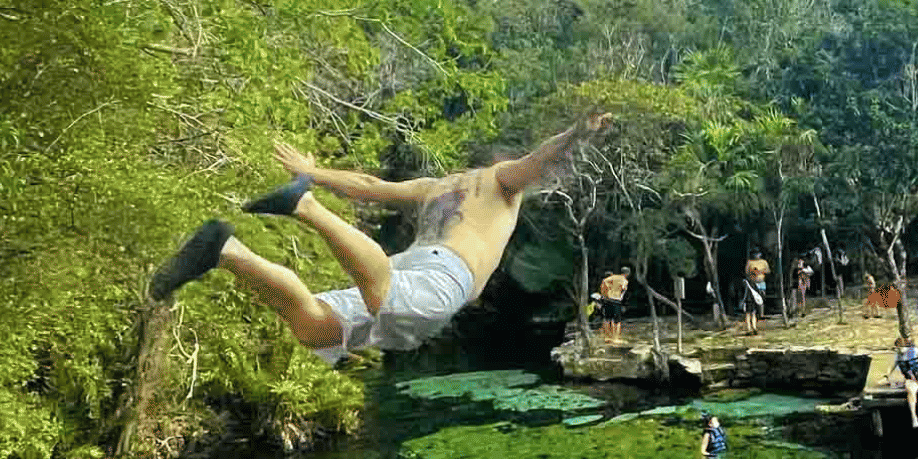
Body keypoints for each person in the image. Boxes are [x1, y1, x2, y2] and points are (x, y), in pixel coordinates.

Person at [150, 117, 607, 363]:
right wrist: (576, 134)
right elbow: (540, 161)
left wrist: (313, 171)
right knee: (381, 292)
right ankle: (306, 207)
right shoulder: (502, 182)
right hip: (447, 272)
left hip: (410, 263)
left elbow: (367, 186)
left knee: (315, 328)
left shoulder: (436, 187)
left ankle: (226, 250)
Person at [884, 335, 918, 430]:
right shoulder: (898, 355)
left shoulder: (914, 351)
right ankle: (914, 417)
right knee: (911, 391)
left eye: (900, 347)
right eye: (898, 348)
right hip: (910, 378)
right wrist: (886, 376)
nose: (899, 349)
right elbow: (891, 367)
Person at [596, 265, 630, 345]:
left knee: (607, 319)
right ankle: (615, 338)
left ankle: (607, 337)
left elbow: (603, 290)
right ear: (627, 274)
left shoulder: (608, 279)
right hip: (616, 301)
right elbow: (623, 290)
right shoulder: (624, 280)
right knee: (616, 321)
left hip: (607, 300)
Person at [742, 247, 769, 335]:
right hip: (752, 286)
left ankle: (758, 320)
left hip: (760, 283)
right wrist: (753, 273)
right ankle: (749, 328)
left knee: (759, 302)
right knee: (749, 311)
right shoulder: (750, 262)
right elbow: (747, 272)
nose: (757, 255)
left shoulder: (764, 262)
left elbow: (768, 271)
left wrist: (760, 271)